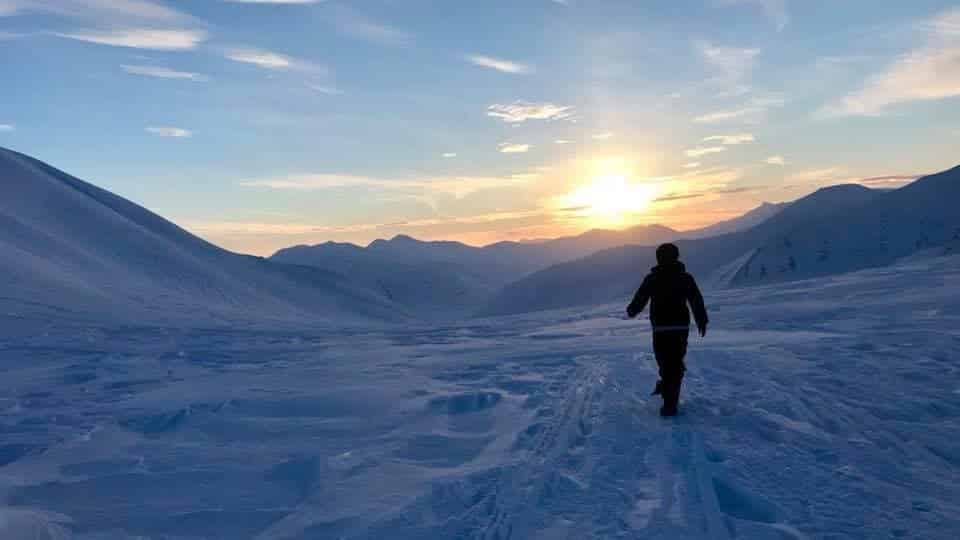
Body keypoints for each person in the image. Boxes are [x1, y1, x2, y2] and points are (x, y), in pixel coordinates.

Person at [626, 243, 708, 417]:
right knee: (675, 361)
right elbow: (696, 301)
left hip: (661, 328)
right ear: (677, 257)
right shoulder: (685, 278)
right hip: (680, 327)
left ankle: (670, 403)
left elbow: (640, 299)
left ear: (658, 258)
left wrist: (632, 310)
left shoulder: (652, 278)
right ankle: (668, 390)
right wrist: (701, 320)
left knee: (665, 362)